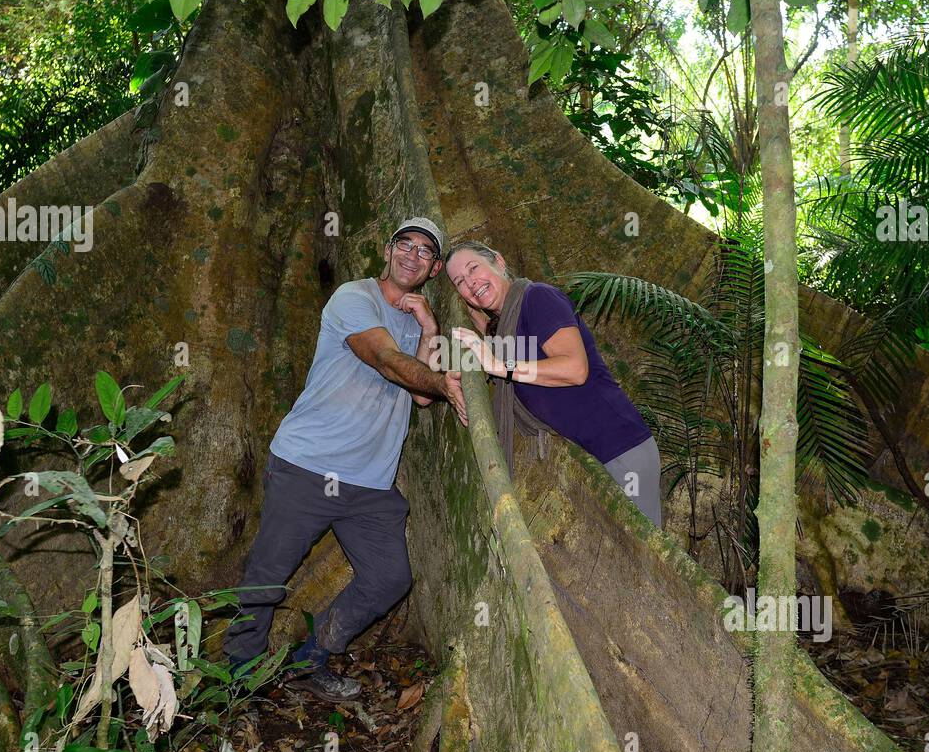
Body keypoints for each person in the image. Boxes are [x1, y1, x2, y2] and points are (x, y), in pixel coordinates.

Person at [224, 217, 467, 702]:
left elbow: (417, 398)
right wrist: (443, 383)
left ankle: (308, 659)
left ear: (435, 268)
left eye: (424, 252)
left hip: (369, 485)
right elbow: (385, 361)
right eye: (405, 244)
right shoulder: (353, 298)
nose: (411, 255)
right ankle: (237, 687)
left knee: (389, 578)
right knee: (266, 580)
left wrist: (430, 327)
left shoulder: (415, 315)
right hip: (307, 467)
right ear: (387, 248)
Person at [443, 240, 662, 527]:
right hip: (589, 459)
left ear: (499, 261)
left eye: (474, 268)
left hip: (621, 448)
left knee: (641, 559)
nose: (470, 283)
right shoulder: (507, 323)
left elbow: (574, 369)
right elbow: (517, 354)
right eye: (459, 281)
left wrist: (498, 365)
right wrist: (454, 380)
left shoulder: (538, 299)